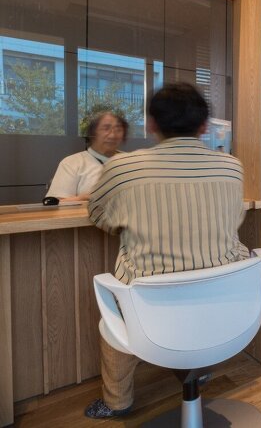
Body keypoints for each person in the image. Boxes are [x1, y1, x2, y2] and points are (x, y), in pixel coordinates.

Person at [84, 83, 250, 419]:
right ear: (204, 126)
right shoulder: (231, 167)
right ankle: (198, 366)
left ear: (151, 124)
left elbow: (99, 216)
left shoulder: (122, 168)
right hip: (227, 304)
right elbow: (236, 219)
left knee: (116, 314)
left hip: (150, 308)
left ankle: (117, 403)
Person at [47, 111, 128, 201]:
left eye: (118, 129)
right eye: (106, 129)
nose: (113, 135)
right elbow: (56, 204)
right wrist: (84, 198)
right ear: (92, 133)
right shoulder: (72, 163)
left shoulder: (131, 161)